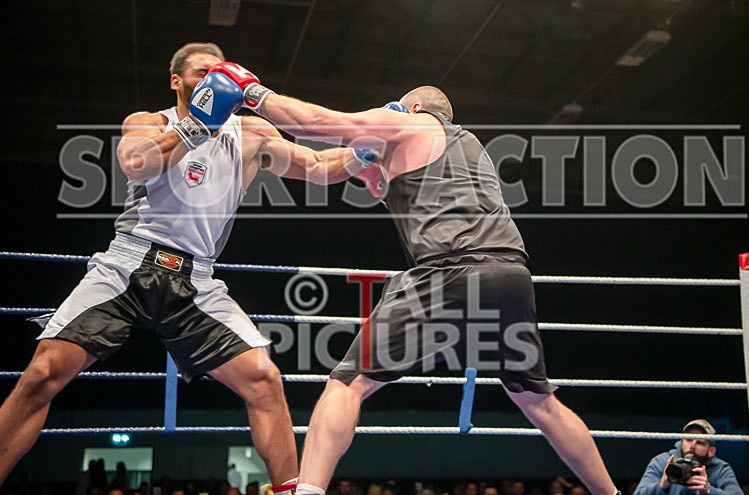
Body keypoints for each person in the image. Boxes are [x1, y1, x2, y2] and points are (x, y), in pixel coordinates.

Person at [203, 63, 619, 495]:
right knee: (539, 402)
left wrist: (252, 92)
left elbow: (317, 123)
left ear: (414, 107)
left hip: (449, 269)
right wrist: (369, 165)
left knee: (347, 383)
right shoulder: (472, 148)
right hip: (509, 274)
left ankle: (308, 491)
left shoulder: (409, 121)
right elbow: (400, 198)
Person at [0, 42, 371, 485]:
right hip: (129, 264)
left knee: (264, 380)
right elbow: (136, 163)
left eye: (220, 72)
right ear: (177, 81)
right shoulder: (149, 122)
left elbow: (318, 165)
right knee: (43, 373)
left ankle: (293, 492)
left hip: (196, 279)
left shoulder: (251, 133)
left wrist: (367, 148)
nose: (214, 79)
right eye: (201, 72)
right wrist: (198, 124)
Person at [634, 419, 744, 495]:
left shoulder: (720, 468)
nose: (692, 446)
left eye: (700, 443)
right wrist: (662, 486)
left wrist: (709, 491)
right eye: (689, 440)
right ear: (682, 442)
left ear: (711, 451)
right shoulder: (663, 461)